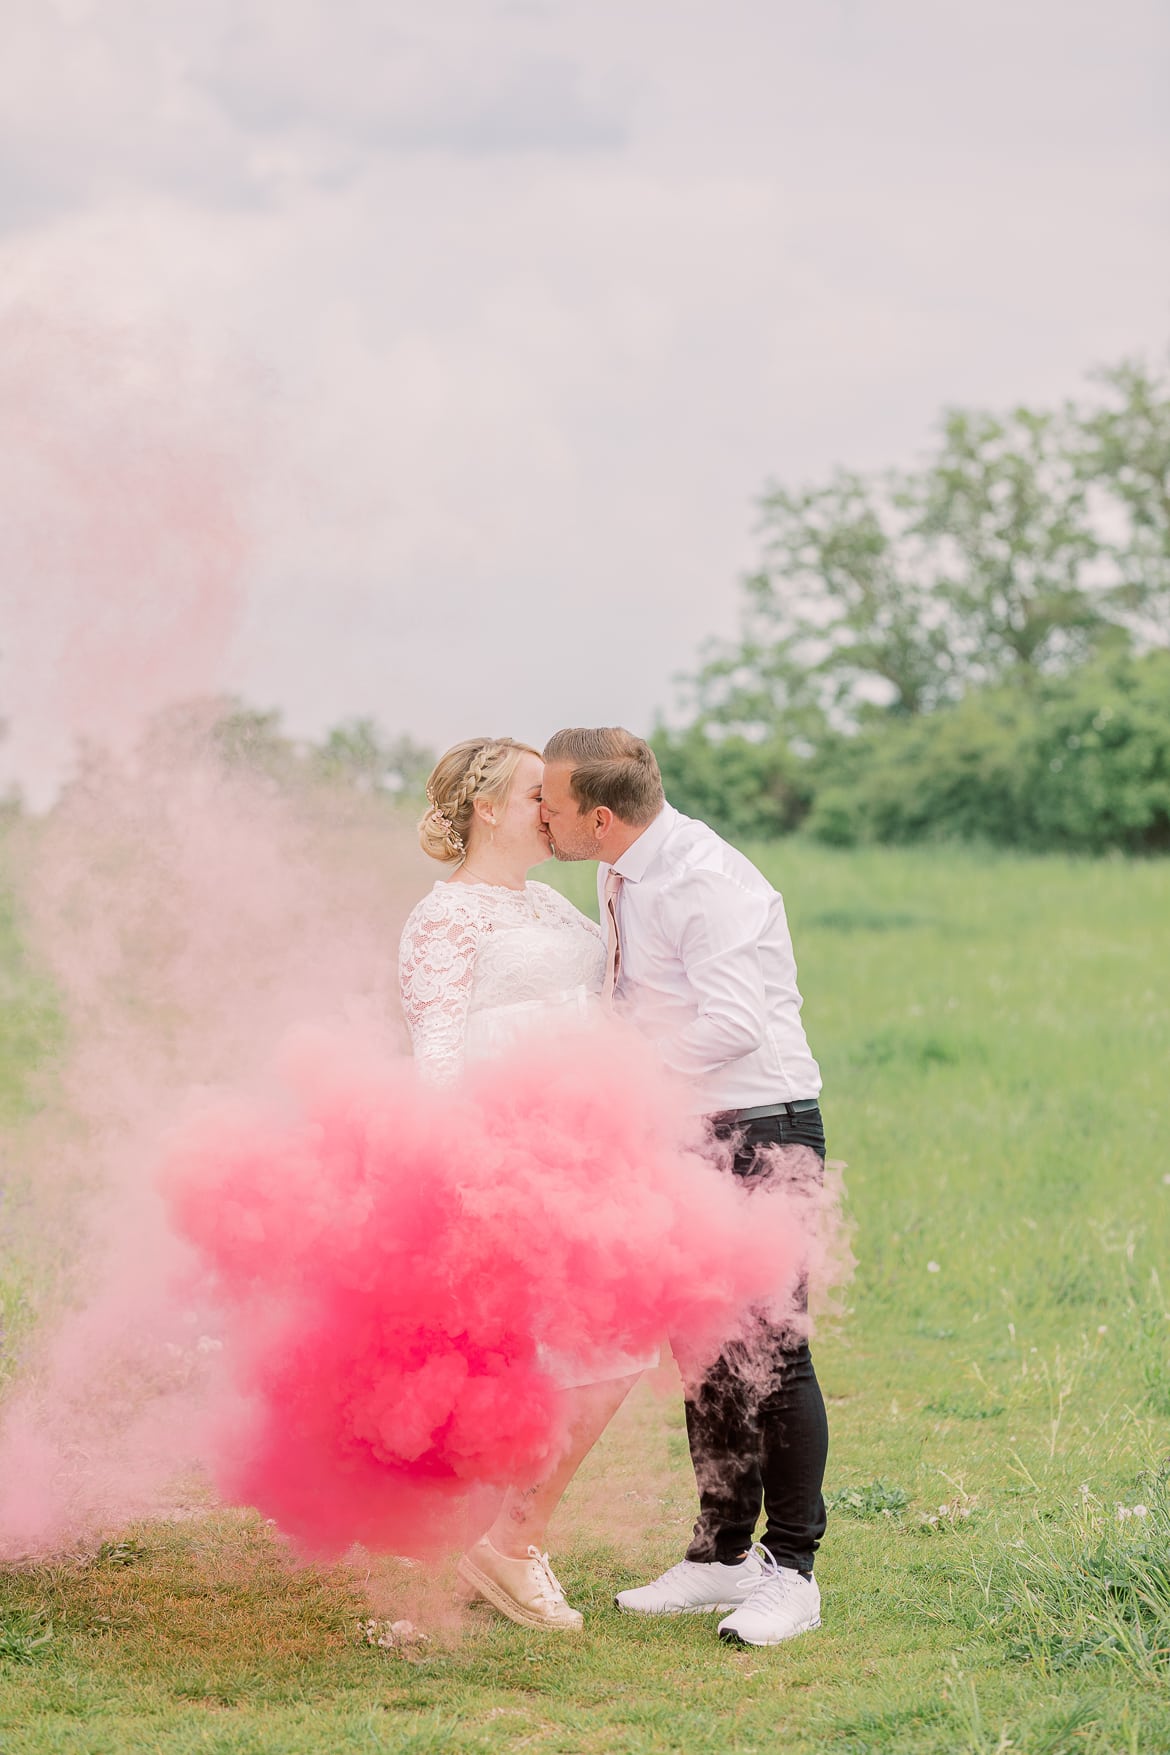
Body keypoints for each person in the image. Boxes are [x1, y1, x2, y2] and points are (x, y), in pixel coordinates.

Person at [539, 726, 829, 1650]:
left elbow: (736, 1025)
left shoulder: (706, 880)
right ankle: (719, 1555)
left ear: (597, 814)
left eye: (549, 803)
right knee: (702, 1348)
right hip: (684, 1129)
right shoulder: (623, 862)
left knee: (772, 1353)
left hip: (761, 1126)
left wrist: (629, 1075)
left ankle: (793, 1571)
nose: (538, 814)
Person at [397, 736, 647, 1633]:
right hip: (508, 1159)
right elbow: (436, 1055)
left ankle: (506, 1539)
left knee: (612, 1337)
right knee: (550, 1349)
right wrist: (464, 1174)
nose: (555, 807)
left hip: (583, 1145)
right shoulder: (446, 919)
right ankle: (497, 1545)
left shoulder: (547, 901)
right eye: (538, 793)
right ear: (488, 809)